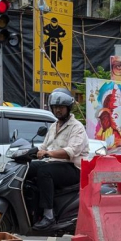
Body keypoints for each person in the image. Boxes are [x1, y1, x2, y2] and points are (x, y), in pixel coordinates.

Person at [28, 88, 88, 230]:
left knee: (44, 171)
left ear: (68, 108)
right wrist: (28, 152)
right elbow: (44, 146)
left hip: (73, 169)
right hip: (55, 165)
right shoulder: (54, 126)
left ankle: (49, 216)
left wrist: (49, 154)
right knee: (28, 168)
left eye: (61, 108)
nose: (58, 111)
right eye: (55, 108)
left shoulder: (77, 127)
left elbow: (71, 152)